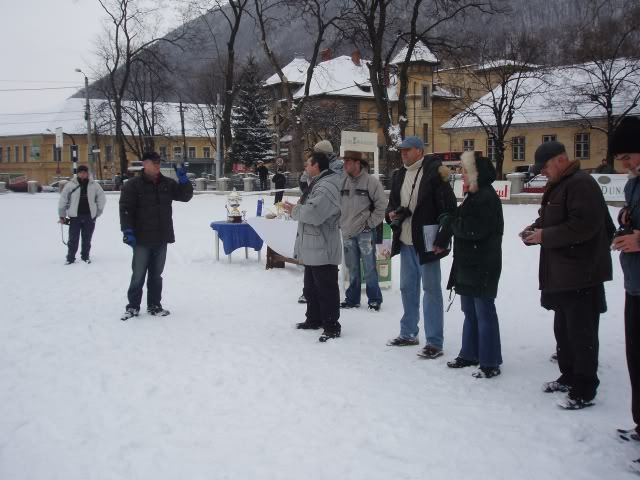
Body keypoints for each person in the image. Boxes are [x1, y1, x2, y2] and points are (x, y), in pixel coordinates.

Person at [520, 140, 613, 410]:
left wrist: (544, 236)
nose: (543, 173)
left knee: (582, 333)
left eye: (545, 167)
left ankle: (584, 387)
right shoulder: (560, 184)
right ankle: (569, 375)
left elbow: (583, 226)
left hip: (582, 274)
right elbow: (552, 219)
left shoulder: (581, 184)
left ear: (560, 160)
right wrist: (534, 229)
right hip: (562, 273)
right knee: (564, 330)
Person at [385, 136, 457, 358]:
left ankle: (434, 341)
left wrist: (443, 239)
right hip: (406, 241)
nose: (403, 154)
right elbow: (393, 203)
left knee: (431, 291)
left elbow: (449, 208)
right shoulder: (399, 175)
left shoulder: (435, 173)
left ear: (419, 150)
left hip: (427, 242)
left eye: (407, 150)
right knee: (408, 288)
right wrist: (393, 214)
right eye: (401, 150)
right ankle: (408, 333)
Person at [439, 152, 503, 378]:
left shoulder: (486, 197)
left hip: (483, 265)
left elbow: (473, 230)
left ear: (476, 175)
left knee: (484, 312)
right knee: (470, 311)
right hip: (468, 264)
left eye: (465, 172)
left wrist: (452, 222)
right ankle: (470, 353)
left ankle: (489, 361)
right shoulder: (473, 196)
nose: (461, 176)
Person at [119, 151, 193, 321]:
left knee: (156, 275)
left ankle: (154, 305)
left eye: (159, 162)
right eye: (154, 162)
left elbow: (185, 196)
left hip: (161, 237)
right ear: (145, 164)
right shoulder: (133, 185)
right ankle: (132, 307)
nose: (158, 165)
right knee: (138, 275)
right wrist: (127, 231)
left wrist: (183, 179)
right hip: (141, 239)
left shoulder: (167, 184)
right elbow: (125, 209)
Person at [282, 151, 342, 342]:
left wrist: (295, 210)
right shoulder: (319, 182)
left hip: (322, 246)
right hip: (314, 245)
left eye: (308, 164)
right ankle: (314, 319)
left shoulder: (327, 186)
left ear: (317, 166)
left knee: (326, 288)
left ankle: (331, 325)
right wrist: (298, 210)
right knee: (311, 287)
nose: (305, 167)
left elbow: (315, 214)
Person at [609, 117, 640, 464]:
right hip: (634, 283)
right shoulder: (633, 185)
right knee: (636, 357)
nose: (625, 165)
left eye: (629, 156)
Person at [339, 150, 386, 311]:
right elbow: (338, 204)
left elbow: (381, 206)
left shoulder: (371, 182)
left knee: (369, 267)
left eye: (348, 161)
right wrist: (340, 222)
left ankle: (374, 299)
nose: (345, 164)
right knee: (352, 267)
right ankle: (352, 298)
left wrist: (369, 224)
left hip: (365, 232)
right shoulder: (343, 181)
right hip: (347, 231)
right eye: (344, 161)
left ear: (357, 163)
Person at [58, 164, 106, 264]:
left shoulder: (94, 185)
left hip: (89, 216)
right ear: (78, 173)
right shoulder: (70, 185)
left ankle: (85, 256)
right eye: (81, 172)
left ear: (87, 173)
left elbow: (101, 198)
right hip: (75, 216)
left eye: (85, 172)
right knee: (73, 238)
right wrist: (62, 215)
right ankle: (70, 257)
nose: (83, 174)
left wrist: (98, 212)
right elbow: (63, 200)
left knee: (87, 238)